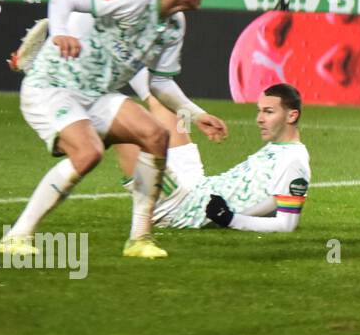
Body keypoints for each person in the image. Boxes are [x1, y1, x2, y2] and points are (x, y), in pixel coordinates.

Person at [0, 0, 229, 260]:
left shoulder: (174, 26)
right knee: (89, 152)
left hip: (96, 95)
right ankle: (16, 236)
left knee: (156, 136)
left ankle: (140, 239)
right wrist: (63, 33)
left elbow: (159, 82)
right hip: (53, 87)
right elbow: (63, 0)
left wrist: (196, 114)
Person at [113, 83, 311, 232]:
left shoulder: (294, 162)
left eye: (268, 112)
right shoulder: (279, 147)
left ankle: (87, 103)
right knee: (165, 103)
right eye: (259, 111)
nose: (259, 118)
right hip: (197, 182)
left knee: (122, 120)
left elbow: (286, 224)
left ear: (291, 116)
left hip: (180, 207)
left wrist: (230, 219)